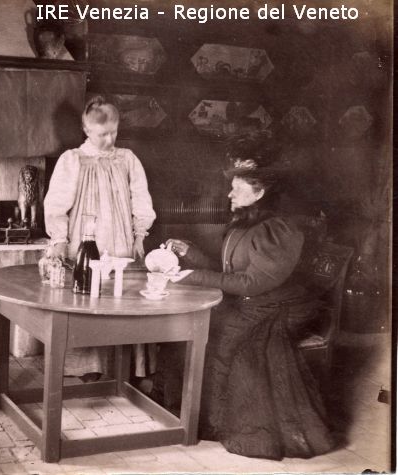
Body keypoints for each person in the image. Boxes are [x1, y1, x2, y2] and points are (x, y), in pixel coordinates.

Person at [159, 132, 335, 459]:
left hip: (276, 309)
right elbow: (232, 273)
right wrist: (190, 254)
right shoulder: (246, 223)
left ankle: (216, 423)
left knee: (223, 341)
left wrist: (191, 277)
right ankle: (192, 417)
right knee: (192, 330)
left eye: (237, 188)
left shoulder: (278, 230)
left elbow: (253, 283)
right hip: (252, 303)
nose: (229, 193)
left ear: (260, 192)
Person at [43, 95, 156, 381]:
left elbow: (141, 198)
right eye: (102, 134)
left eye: (114, 132)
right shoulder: (72, 160)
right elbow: (56, 204)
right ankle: (88, 367)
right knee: (87, 295)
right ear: (86, 130)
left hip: (121, 240)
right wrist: (59, 239)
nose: (109, 139)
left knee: (122, 296)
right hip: (86, 238)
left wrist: (139, 235)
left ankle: (125, 369)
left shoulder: (127, 159)